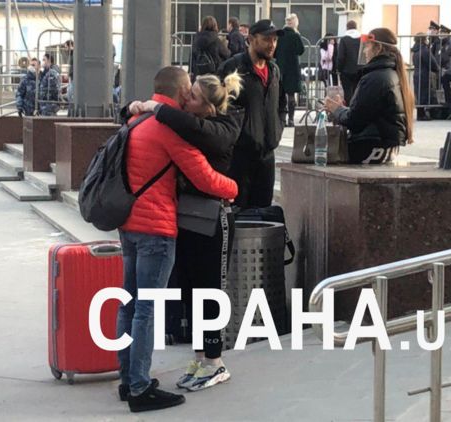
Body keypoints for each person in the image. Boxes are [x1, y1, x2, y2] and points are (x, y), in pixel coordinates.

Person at [116, 66, 238, 413]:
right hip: (156, 226)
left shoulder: (136, 120)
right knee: (146, 309)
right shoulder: (166, 127)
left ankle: (128, 379)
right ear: (182, 91)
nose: (189, 97)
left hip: (130, 224)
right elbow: (206, 178)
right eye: (189, 91)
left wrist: (134, 107)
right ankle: (140, 387)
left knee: (130, 304)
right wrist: (234, 189)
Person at [218, 19, 287, 208]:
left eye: (274, 40)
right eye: (266, 39)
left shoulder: (274, 70)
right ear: (251, 39)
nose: (272, 44)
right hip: (240, 155)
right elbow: (219, 106)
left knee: (263, 212)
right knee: (238, 212)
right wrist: (239, 135)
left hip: (267, 155)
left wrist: (277, 130)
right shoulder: (233, 68)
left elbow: (282, 104)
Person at [324, 28, 415, 164]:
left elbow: (355, 121)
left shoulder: (375, 78)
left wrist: (336, 109)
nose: (364, 51)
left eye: (367, 46)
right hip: (385, 147)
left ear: (378, 48)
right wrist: (343, 109)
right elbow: (368, 113)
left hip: (369, 145)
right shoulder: (392, 74)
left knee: (319, 153)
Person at [275, 14, 305, 127]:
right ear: (295, 23)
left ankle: (280, 118)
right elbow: (301, 50)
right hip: (292, 67)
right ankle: (291, 119)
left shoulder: (279, 35)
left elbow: (274, 52)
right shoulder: (295, 35)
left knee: (280, 93)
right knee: (291, 95)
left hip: (280, 67)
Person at [411, 33, 439, 121]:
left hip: (416, 73)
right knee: (424, 93)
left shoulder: (415, 50)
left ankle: (420, 113)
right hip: (424, 74)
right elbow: (432, 63)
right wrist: (437, 69)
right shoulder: (424, 50)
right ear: (423, 40)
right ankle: (422, 115)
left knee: (419, 93)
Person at [337, 20, 362, 105]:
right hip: (360, 70)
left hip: (346, 71)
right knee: (358, 92)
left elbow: (341, 57)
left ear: (347, 28)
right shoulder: (361, 39)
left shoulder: (344, 40)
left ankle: (349, 109)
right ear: (356, 27)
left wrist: (339, 69)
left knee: (348, 93)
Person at [441, 35, 451, 119]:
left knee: (444, 80)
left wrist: (447, 47)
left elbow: (450, 51)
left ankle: (450, 102)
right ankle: (450, 102)